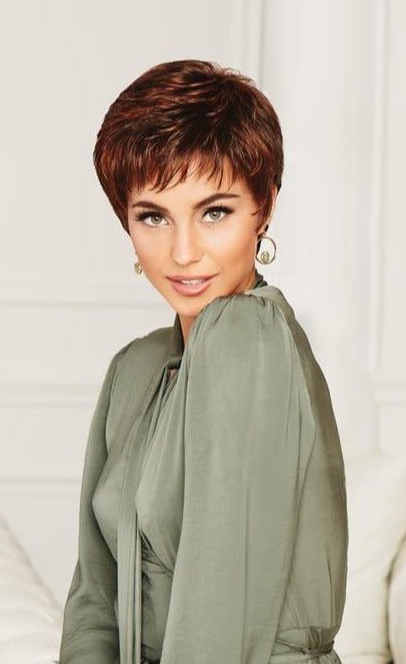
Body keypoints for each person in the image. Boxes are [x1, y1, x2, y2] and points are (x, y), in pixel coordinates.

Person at [59, 59, 348, 664]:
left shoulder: (249, 337)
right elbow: (94, 597)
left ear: (264, 207)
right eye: (153, 216)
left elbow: (219, 621)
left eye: (214, 211)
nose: (183, 251)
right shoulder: (135, 369)